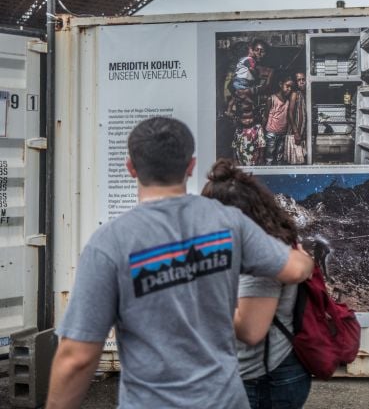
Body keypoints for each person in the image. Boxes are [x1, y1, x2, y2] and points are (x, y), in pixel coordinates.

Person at [46, 117, 314, 409]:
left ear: (131, 168)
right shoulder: (228, 222)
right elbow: (297, 269)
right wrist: (302, 255)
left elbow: (77, 357)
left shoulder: (109, 244)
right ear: (190, 166)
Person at [202, 159, 312, 409]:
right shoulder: (251, 245)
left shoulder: (260, 260)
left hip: (262, 380)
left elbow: (251, 331)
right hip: (256, 373)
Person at [263, 75, 293, 166]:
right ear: (280, 84)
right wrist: (261, 130)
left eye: (291, 87)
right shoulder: (271, 99)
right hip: (271, 133)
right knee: (269, 156)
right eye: (287, 86)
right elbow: (265, 116)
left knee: (280, 156)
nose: (289, 89)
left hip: (283, 133)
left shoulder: (288, 101)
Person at [285, 72, 307, 165]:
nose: (302, 82)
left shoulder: (306, 94)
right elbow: (289, 113)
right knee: (296, 163)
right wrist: (296, 133)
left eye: (303, 79)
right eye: (299, 80)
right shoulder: (295, 94)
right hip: (295, 135)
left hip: (303, 135)